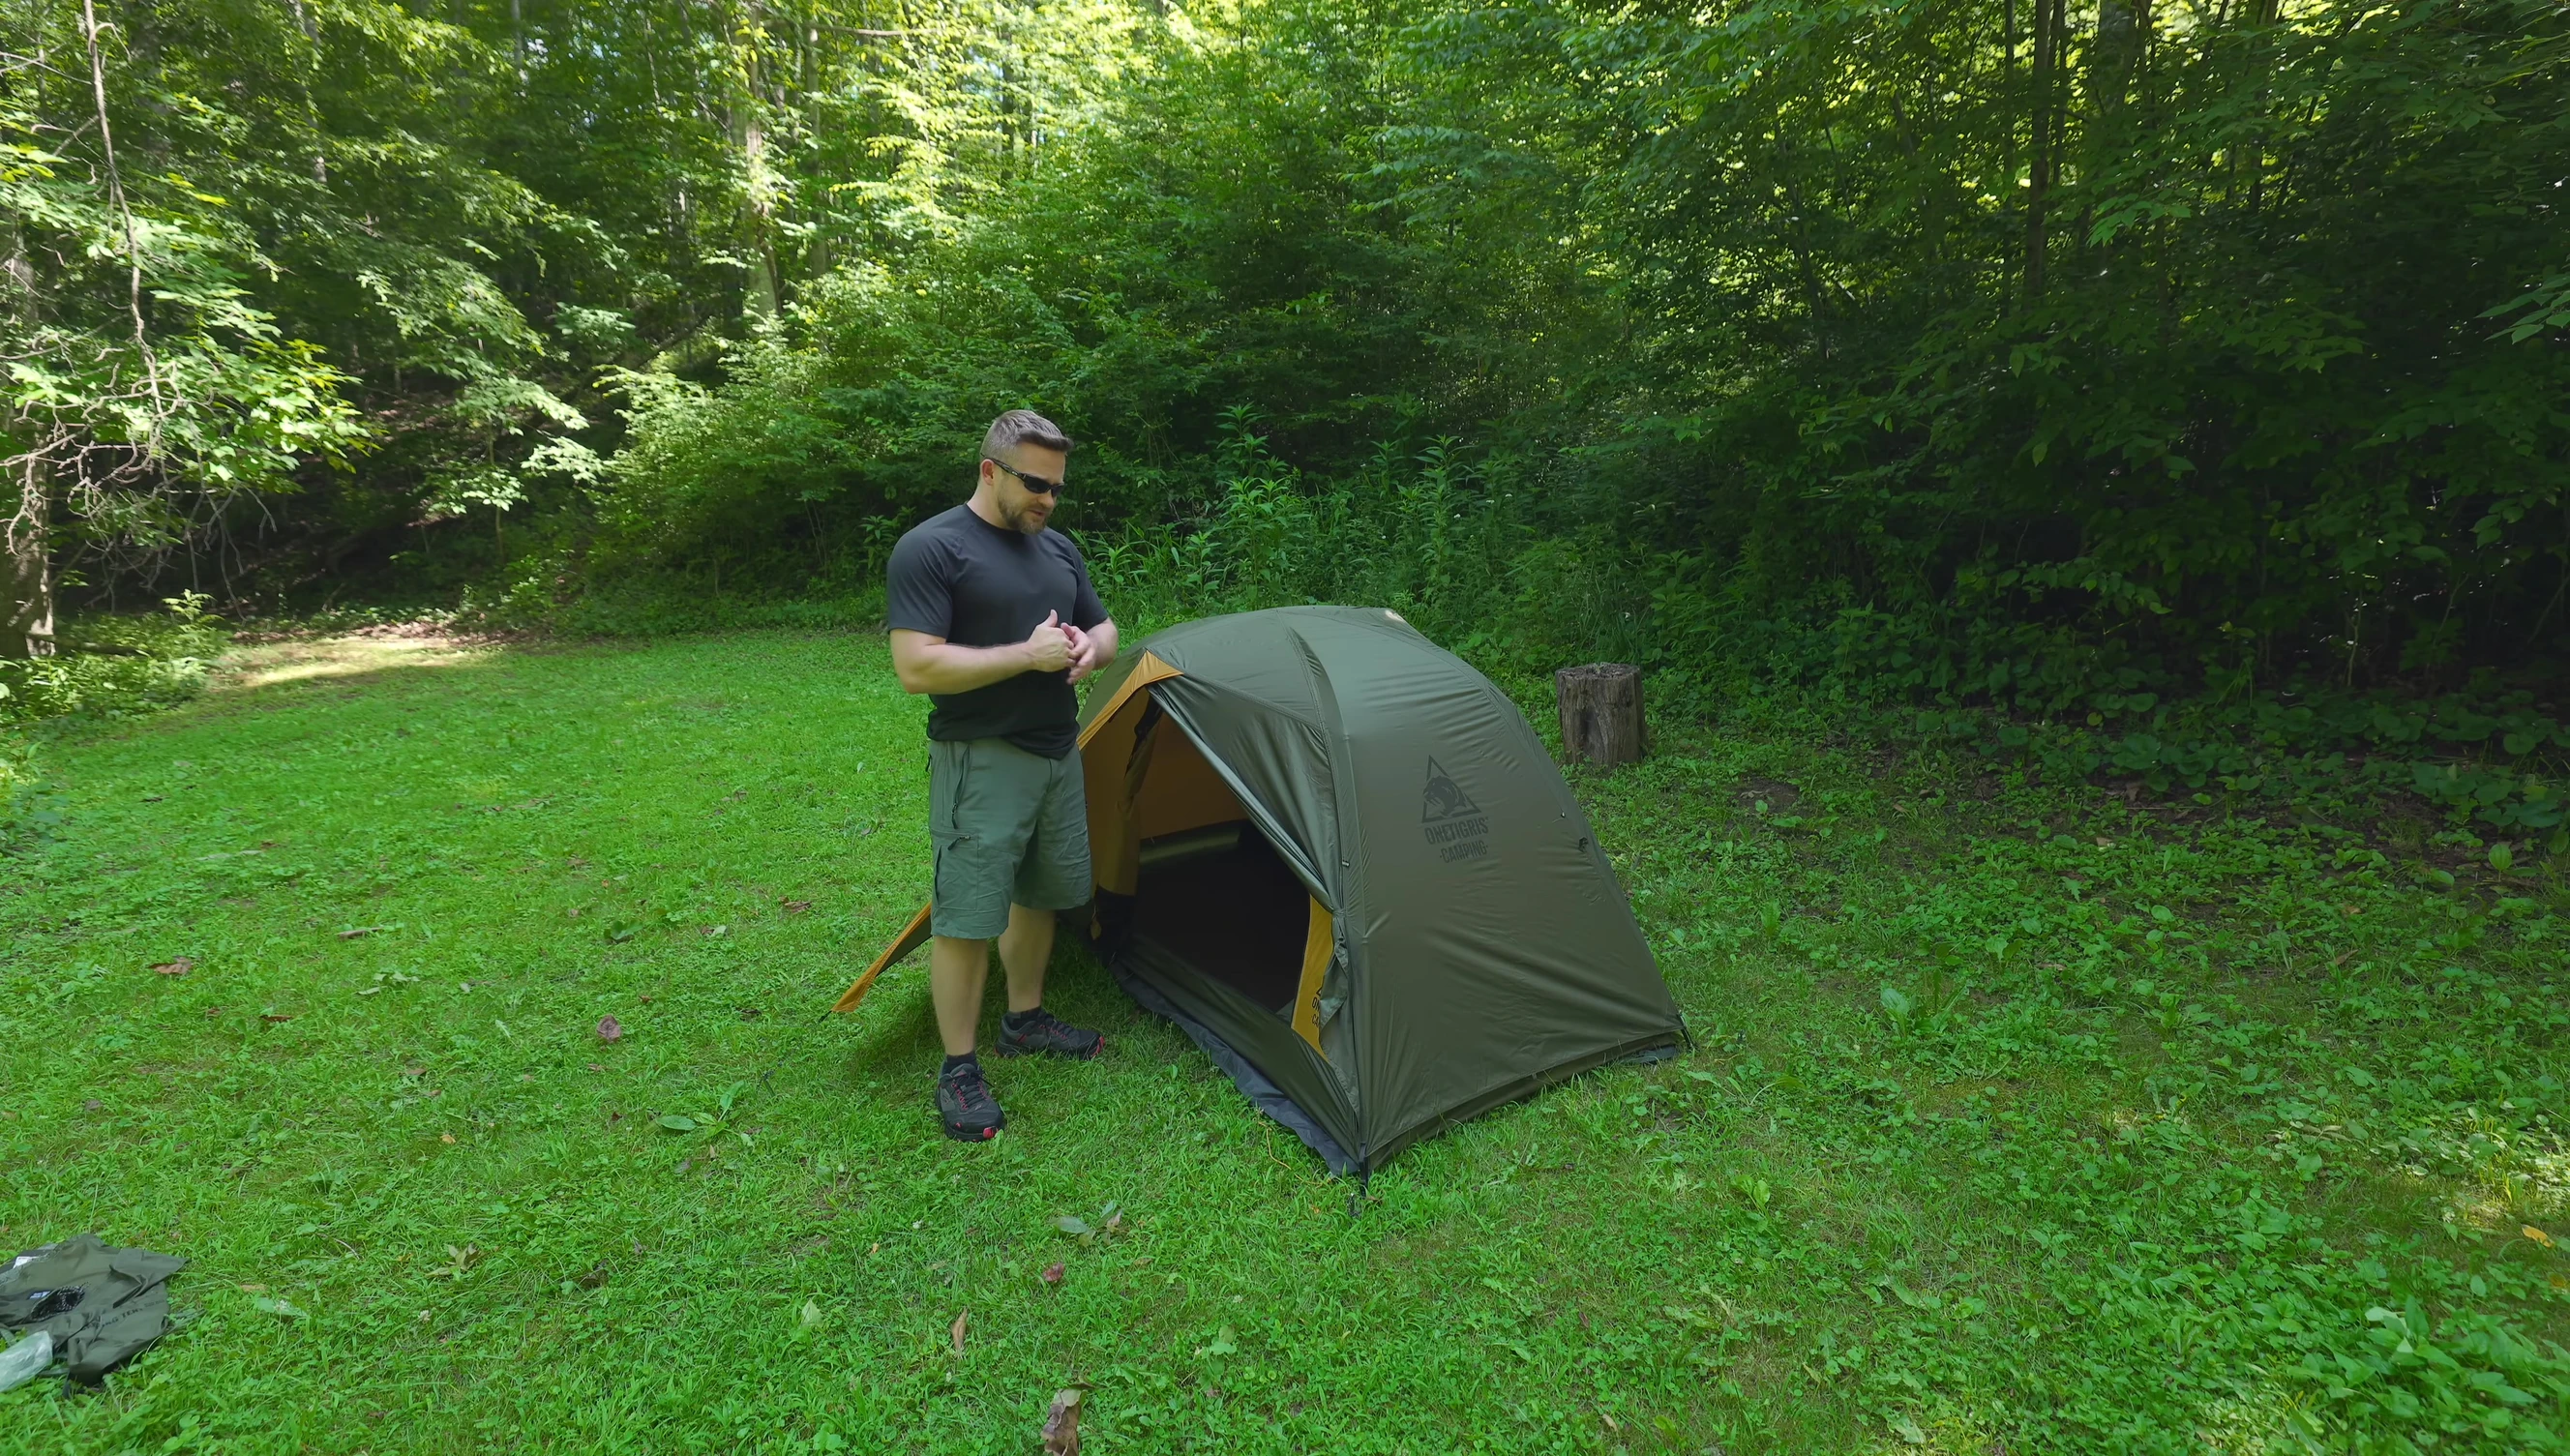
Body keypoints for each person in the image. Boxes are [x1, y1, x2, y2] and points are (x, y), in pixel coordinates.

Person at [884, 409, 1119, 1142]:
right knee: (966, 915)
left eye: (1057, 487)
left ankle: (1025, 1018)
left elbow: (1105, 626)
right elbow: (916, 666)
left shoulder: (1057, 549)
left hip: (1057, 752)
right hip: (981, 759)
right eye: (1035, 484)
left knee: (1039, 893)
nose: (1048, 499)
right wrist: (1027, 655)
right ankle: (958, 1068)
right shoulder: (933, 548)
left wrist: (1092, 649)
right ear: (991, 470)